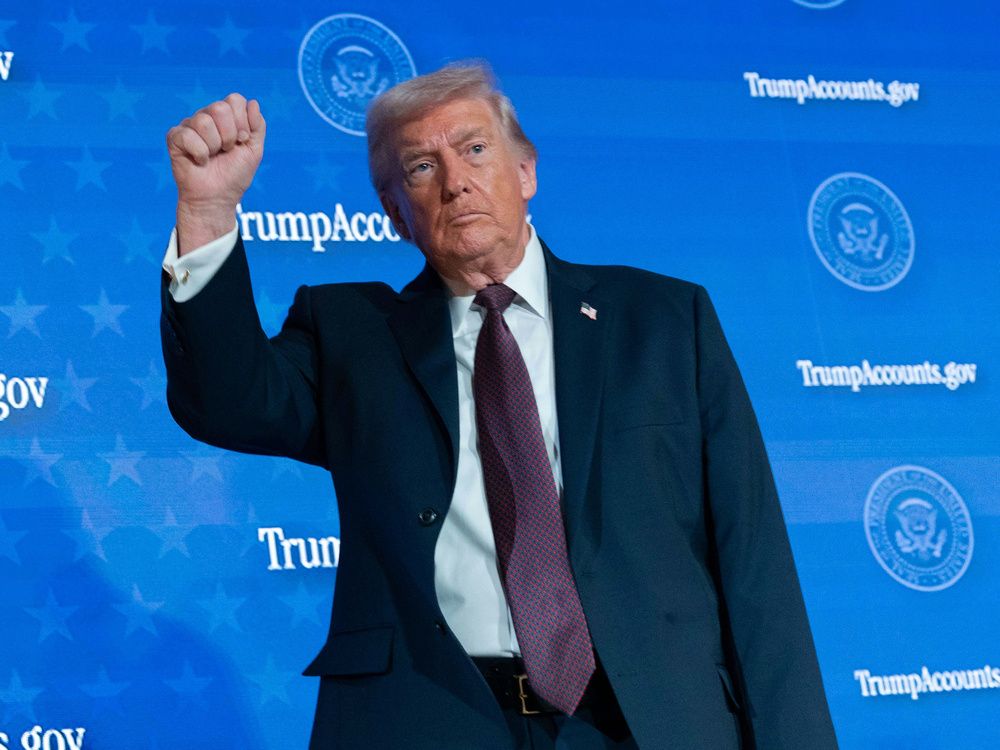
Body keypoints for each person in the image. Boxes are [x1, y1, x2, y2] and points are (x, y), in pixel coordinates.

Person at [160, 62, 839, 749]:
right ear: (396, 213)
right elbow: (227, 402)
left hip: (647, 722)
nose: (456, 181)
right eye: (422, 168)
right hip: (432, 722)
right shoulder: (353, 337)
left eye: (475, 149)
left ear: (526, 172)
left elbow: (754, 565)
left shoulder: (664, 320)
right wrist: (208, 211)